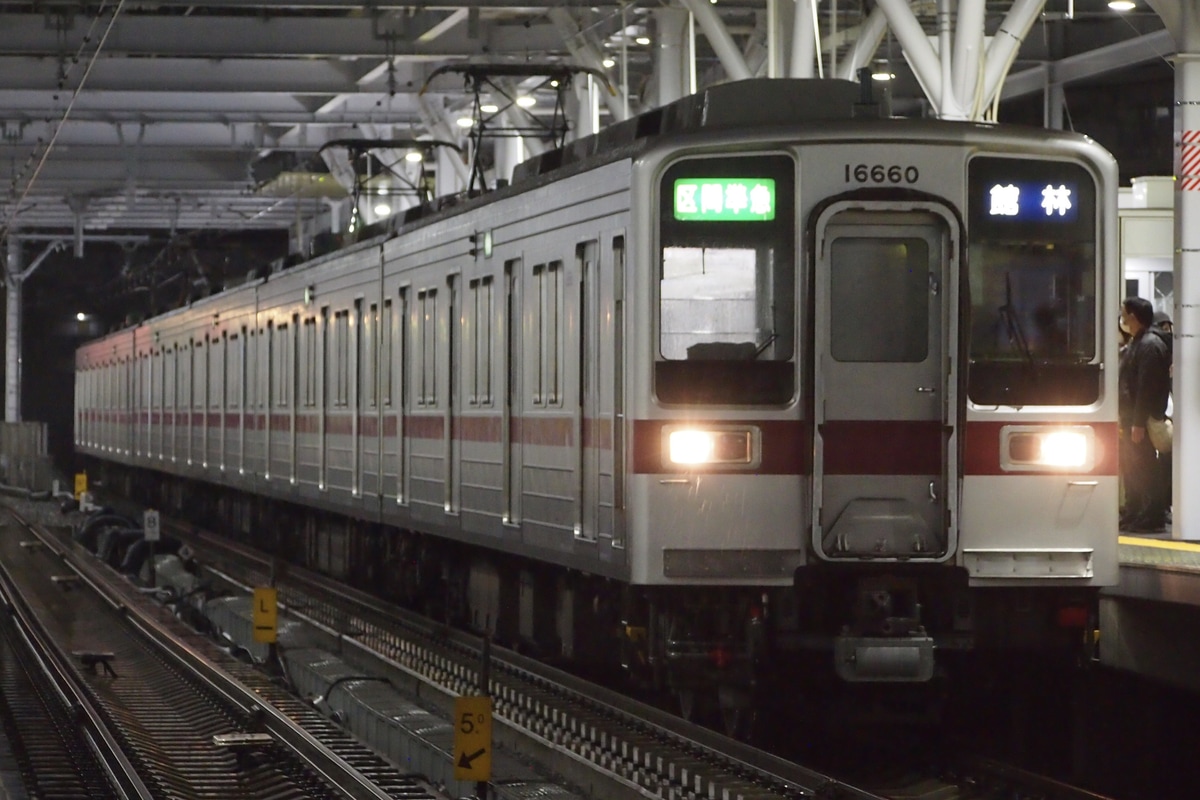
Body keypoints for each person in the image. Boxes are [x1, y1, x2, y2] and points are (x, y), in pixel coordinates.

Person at [1118, 297, 1171, 532]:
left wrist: (1138, 423)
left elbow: (1146, 388)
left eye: (1125, 314)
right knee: (1134, 467)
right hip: (1131, 419)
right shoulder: (1138, 342)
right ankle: (1136, 512)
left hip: (1140, 421)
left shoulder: (1149, 345)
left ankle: (1152, 516)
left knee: (1145, 468)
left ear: (1134, 317)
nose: (1123, 319)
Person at [1149, 312, 1174, 524]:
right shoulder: (1168, 349)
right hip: (1167, 413)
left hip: (1162, 414)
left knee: (1163, 464)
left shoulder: (1149, 345)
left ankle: (1161, 507)